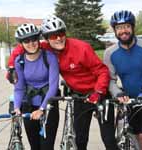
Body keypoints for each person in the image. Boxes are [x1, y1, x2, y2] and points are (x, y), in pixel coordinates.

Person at [8, 15, 118, 150]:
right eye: (53, 36)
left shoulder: (82, 48)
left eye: (61, 34)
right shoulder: (46, 47)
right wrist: (11, 67)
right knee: (80, 140)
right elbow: (23, 47)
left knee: (109, 140)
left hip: (99, 93)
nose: (58, 38)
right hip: (80, 96)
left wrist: (98, 92)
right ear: (47, 39)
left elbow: (102, 71)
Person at [104, 10, 142, 150]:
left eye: (127, 26)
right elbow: (110, 79)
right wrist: (118, 93)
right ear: (115, 30)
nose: (123, 31)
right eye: (119, 27)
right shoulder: (110, 53)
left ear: (133, 27)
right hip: (127, 101)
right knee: (131, 139)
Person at [13, 23, 60, 150]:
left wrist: (42, 109)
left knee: (46, 146)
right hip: (28, 105)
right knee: (34, 146)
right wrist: (17, 107)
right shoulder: (19, 61)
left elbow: (54, 86)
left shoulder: (49, 57)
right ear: (21, 43)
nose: (31, 43)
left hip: (49, 105)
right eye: (26, 41)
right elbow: (19, 88)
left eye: (34, 39)